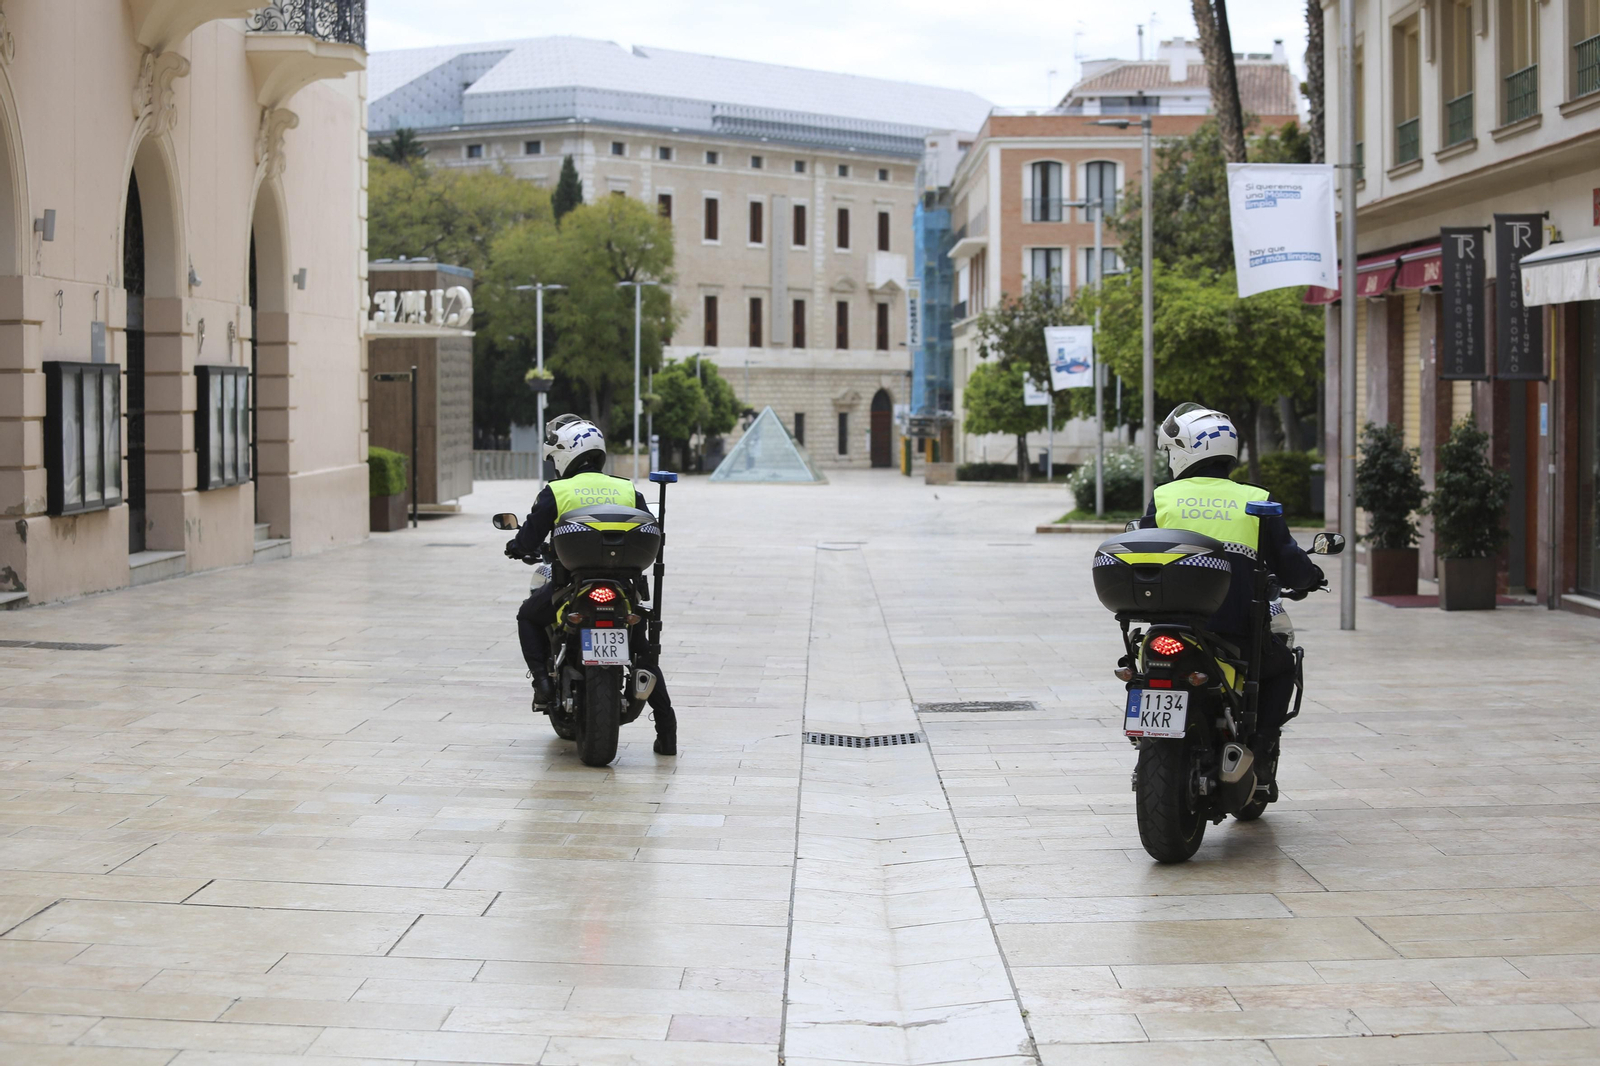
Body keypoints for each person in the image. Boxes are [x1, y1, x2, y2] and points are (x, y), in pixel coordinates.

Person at [1139, 403, 1323, 791]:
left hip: (1171, 629)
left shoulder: (1165, 497)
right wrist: (1311, 577)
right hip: (1235, 634)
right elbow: (1289, 562)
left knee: (1141, 671)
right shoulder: (1256, 499)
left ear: (1186, 451)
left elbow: (1143, 545)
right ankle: (1259, 747)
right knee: (1283, 667)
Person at [505, 418, 678, 755]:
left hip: (573, 587)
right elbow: (650, 529)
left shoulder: (558, 491)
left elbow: (528, 537)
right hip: (622, 590)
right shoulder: (627, 488)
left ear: (566, 455)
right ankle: (667, 730)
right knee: (642, 649)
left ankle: (542, 684)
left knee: (528, 615)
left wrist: (517, 547)